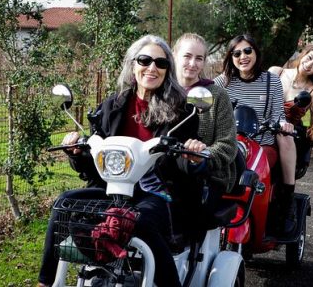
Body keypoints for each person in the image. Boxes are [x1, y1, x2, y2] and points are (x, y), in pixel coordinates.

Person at [37, 35, 206, 287]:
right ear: (132, 64)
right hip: (111, 189)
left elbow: (182, 163)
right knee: (64, 204)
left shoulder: (181, 111)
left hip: (156, 193)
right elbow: (94, 163)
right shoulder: (111, 106)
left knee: (140, 220)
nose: (152, 68)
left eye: (160, 63)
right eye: (145, 60)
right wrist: (77, 152)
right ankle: (45, 282)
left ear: (168, 70)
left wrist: (192, 156)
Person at [213, 34, 296, 235]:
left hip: (261, 143)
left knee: (285, 140)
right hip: (229, 142)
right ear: (231, 57)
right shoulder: (221, 82)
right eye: (237, 53)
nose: (243, 56)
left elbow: (278, 115)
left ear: (256, 53)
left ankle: (287, 200)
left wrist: (284, 124)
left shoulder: (271, 81)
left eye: (248, 51)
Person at [172, 33, 238, 212]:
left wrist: (201, 157)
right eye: (187, 56)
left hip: (208, 175)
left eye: (199, 58)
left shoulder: (217, 95)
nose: (193, 64)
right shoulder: (162, 93)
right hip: (166, 172)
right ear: (174, 55)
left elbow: (228, 145)